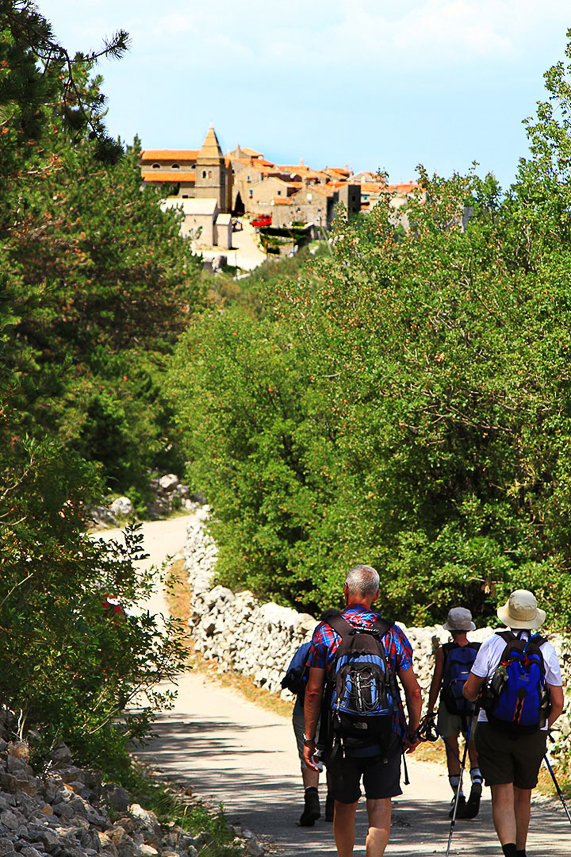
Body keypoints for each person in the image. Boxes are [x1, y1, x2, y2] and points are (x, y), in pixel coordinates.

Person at [302, 564, 422, 857]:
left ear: (346, 590)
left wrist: (309, 738)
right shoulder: (391, 633)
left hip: (340, 733)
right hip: (386, 732)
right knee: (380, 803)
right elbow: (413, 690)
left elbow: (314, 690)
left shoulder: (326, 632)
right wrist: (412, 730)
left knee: (344, 803)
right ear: (376, 595)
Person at [463, 590, 564, 857]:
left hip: (492, 728)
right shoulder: (546, 649)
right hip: (532, 733)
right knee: (523, 795)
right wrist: (541, 726)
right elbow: (558, 703)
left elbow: (470, 691)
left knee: (502, 795)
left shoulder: (492, 643)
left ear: (508, 615)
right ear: (534, 618)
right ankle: (520, 851)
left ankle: (509, 851)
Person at [426, 607, 482, 818]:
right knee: (474, 750)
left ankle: (458, 796)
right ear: (468, 627)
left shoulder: (445, 651)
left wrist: (430, 710)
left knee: (452, 750)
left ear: (450, 628)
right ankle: (477, 782)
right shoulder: (478, 649)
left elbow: (437, 681)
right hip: (473, 706)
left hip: (449, 706)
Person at [282, 636, 334, 826]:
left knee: (308, 756)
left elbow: (291, 677)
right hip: (336, 712)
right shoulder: (345, 647)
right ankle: (332, 806)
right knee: (334, 754)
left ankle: (311, 801)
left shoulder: (309, 647)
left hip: (305, 709)